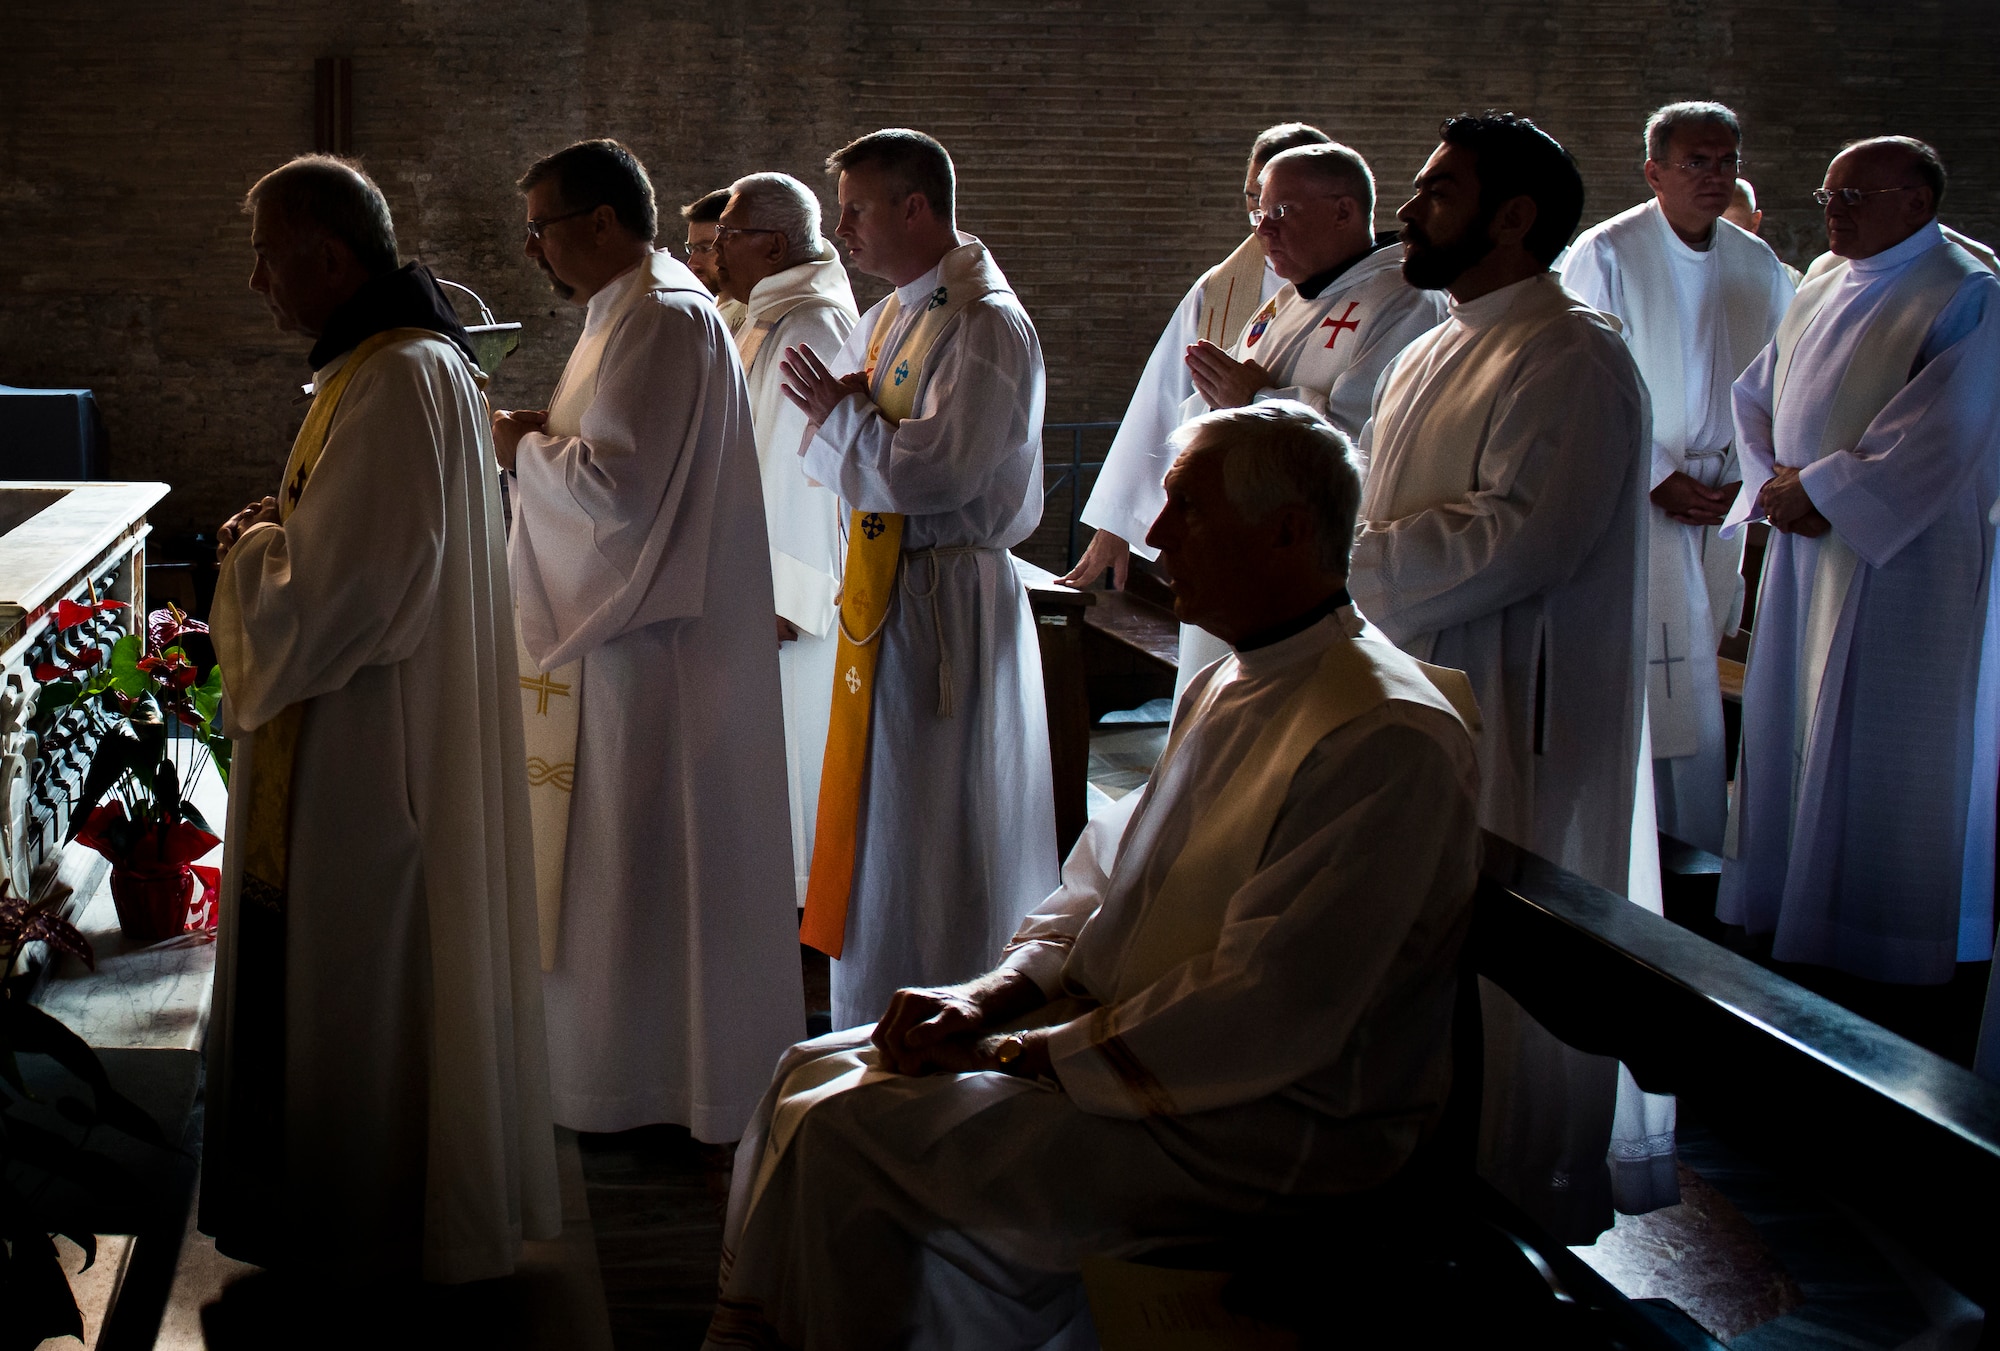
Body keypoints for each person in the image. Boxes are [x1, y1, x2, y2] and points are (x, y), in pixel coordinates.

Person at [703, 401, 1481, 1351]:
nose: (1153, 538)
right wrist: (986, 999)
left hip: (1263, 1125)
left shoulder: (1382, 733)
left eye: (1186, 509)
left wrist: (1025, 1053)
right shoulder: (1237, 680)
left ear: (1286, 530)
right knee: (807, 1072)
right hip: (1146, 1059)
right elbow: (1106, 878)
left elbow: (1270, 1001)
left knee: (849, 1135)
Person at [203, 154, 558, 1282]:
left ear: (332, 255)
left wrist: (253, 552)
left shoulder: (399, 375)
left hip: (368, 749)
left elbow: (353, 594)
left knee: (361, 981)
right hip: (364, 731)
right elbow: (366, 542)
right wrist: (289, 522)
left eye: (268, 253)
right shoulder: (386, 364)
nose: (257, 279)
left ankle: (367, 1224)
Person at [1349, 113, 1647, 1242]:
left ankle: (1506, 1190)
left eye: (1437, 191)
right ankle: (1413, 1159)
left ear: (1513, 216)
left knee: (1498, 967)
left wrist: (1339, 565)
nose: (1409, 211)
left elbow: (1521, 537)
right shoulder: (1437, 339)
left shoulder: (1570, 352)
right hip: (1417, 682)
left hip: (1514, 700)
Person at [496, 139, 804, 1142]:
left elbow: (618, 498)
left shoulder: (662, 320)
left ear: (598, 222)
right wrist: (549, 435)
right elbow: (617, 461)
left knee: (638, 865)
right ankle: (609, 1068)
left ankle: (645, 1082)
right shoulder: (627, 311)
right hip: (620, 642)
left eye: (541, 227)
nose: (532, 249)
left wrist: (521, 448)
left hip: (645, 650)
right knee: (618, 869)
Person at [1719, 136, 2000, 1062]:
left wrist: (1826, 489)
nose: (1833, 210)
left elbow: (1950, 426)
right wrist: (1775, 485)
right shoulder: (1825, 280)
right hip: (1809, 547)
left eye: (1856, 194)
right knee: (1795, 724)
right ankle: (1795, 918)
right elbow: (1756, 390)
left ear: (1918, 200)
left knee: (1884, 747)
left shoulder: (1966, 290)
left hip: (1901, 561)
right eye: (1829, 192)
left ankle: (1882, 943)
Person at [776, 128, 1056, 1029]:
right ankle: (872, 1007)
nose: (843, 230)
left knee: (936, 824)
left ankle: (946, 1001)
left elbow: (937, 476)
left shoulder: (983, 322)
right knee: (884, 820)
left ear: (915, 207)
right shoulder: (896, 311)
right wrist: (846, 421)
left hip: (946, 607)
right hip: (888, 593)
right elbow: (853, 452)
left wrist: (843, 419)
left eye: (856, 210)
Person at [1562, 102, 1795, 856]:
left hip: (1721, 498)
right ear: (1653, 172)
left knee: (1699, 660)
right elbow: (1584, 384)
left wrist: (1748, 474)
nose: (1715, 175)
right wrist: (1657, 475)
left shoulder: (1756, 263)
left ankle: (1698, 844)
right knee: (1657, 669)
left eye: (1726, 160)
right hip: (1637, 494)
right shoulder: (1607, 253)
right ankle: (1647, 841)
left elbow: (1776, 381)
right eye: (1697, 161)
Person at [1148, 140, 1449, 694]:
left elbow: (1366, 443)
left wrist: (1256, 402)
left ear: (1344, 211)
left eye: (1281, 212)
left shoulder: (1401, 301)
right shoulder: (1286, 303)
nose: (1264, 230)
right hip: (1241, 546)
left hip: (1304, 566)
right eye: (1260, 212)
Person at [1063, 121, 1329, 594]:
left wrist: (1258, 398)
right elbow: (1164, 396)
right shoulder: (1221, 289)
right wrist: (1120, 523)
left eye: (1277, 205)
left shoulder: (1373, 293)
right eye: (1252, 198)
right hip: (1226, 518)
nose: (1260, 219)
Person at [713, 170, 858, 904]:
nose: (714, 255)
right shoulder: (767, 312)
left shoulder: (811, 322)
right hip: (748, 576)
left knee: (794, 740)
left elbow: (809, 471)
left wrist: (786, 594)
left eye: (728, 238)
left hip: (785, 597)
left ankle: (798, 897)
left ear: (770, 244)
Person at [681, 186, 748, 334]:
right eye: (692, 249)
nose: (692, 263)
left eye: (707, 248)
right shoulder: (712, 310)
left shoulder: (754, 319)